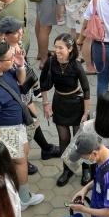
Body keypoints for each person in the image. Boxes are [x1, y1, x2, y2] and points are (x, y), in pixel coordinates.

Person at [0, 41, 43, 211]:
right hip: (6, 131)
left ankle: (16, 195)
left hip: (16, 127)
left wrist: (20, 65)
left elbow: (20, 82)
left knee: (21, 157)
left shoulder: (4, 71)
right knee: (19, 162)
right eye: (10, 58)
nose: (13, 59)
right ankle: (22, 199)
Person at [38, 33, 90, 188]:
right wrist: (46, 103)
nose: (57, 50)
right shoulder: (51, 61)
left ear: (70, 49)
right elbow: (42, 82)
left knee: (79, 139)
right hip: (59, 102)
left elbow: (87, 90)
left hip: (76, 103)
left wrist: (86, 113)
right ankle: (67, 170)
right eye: (55, 47)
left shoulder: (76, 65)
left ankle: (86, 169)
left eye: (60, 47)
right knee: (63, 139)